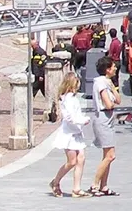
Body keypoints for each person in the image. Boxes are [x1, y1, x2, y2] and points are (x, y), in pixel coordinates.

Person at [49, 74, 91, 198]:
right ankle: (55, 182)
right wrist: (83, 120)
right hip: (69, 133)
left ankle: (76, 188)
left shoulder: (73, 98)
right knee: (72, 161)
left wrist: (82, 120)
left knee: (81, 158)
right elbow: (70, 117)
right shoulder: (66, 99)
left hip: (76, 131)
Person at [88, 59, 121, 196]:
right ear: (107, 69)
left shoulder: (107, 82)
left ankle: (104, 185)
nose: (115, 69)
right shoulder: (101, 83)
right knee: (110, 155)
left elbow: (118, 100)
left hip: (108, 118)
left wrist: (113, 88)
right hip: (103, 117)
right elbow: (108, 104)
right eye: (113, 67)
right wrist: (112, 102)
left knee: (107, 155)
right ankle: (94, 184)